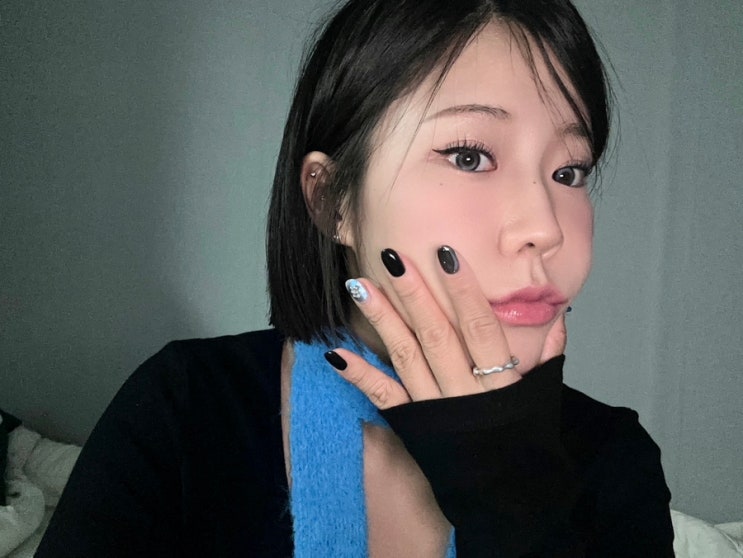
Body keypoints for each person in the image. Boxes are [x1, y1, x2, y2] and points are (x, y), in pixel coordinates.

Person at [36, 0, 675, 556]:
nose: (545, 226)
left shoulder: (613, 457)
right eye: (470, 155)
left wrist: (515, 509)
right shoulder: (183, 409)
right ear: (332, 199)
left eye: (569, 172)